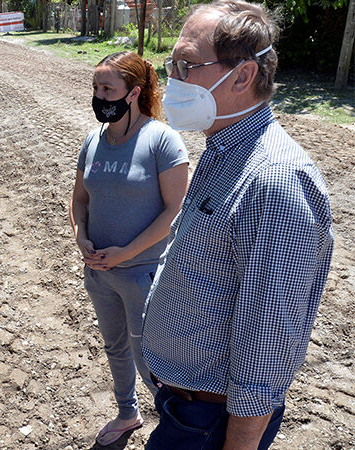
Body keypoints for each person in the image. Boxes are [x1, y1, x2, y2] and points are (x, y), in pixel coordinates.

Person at [141, 1, 334, 449]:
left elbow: (267, 341)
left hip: (212, 420)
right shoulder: (223, 148)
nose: (172, 79)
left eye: (185, 64)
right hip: (188, 405)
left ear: (243, 76)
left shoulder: (273, 181)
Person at [70, 51, 189, 447]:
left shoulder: (162, 140)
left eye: (108, 88)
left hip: (143, 274)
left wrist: (126, 253)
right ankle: (127, 412)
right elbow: (80, 199)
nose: (99, 95)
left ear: (134, 92)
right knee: (115, 346)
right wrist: (80, 233)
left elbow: (175, 211)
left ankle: (176, 428)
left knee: (149, 358)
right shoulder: (93, 140)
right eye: (95, 88)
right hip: (99, 272)